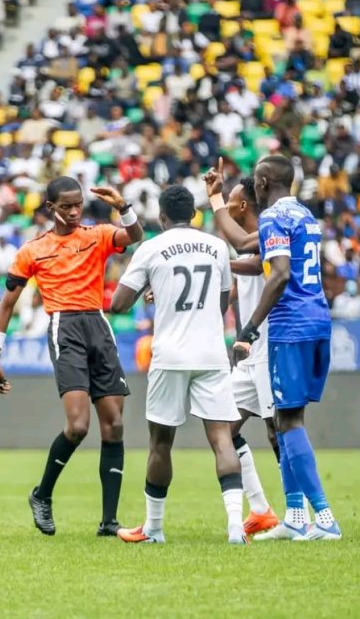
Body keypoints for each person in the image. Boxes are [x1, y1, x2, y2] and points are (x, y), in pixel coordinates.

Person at [0, 176, 143, 537]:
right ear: (50, 207)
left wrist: (123, 206)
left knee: (114, 426)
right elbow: (6, 304)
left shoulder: (97, 235)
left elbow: (134, 236)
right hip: (65, 328)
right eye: (66, 206)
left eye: (78, 205)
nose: (74, 212)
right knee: (78, 426)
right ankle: (42, 495)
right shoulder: (32, 251)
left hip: (98, 326)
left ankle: (109, 522)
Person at [206, 156, 342, 541]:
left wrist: (249, 329)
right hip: (317, 318)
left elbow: (278, 272)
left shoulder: (272, 218)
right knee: (282, 422)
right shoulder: (305, 216)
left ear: (263, 183)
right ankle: (295, 516)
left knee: (289, 422)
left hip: (290, 326)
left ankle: (324, 518)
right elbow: (254, 254)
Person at [109, 185, 246, 545]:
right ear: (194, 215)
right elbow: (220, 305)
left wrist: (157, 291)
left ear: (162, 217)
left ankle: (154, 528)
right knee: (222, 438)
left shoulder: (151, 247)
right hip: (211, 354)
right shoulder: (217, 246)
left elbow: (119, 304)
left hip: (170, 355)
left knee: (160, 443)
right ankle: (236, 526)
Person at [214, 177, 280, 536]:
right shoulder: (244, 247)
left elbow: (257, 266)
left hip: (269, 346)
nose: (227, 206)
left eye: (231, 201)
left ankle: (300, 512)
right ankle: (261, 510)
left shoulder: (268, 234)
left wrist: (219, 262)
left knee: (278, 432)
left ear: (243, 206)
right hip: (248, 356)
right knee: (223, 429)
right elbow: (235, 291)